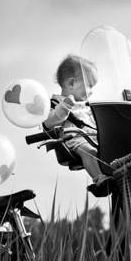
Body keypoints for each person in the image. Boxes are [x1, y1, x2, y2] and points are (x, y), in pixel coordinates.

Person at [43, 54, 112, 191]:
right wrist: (65, 106)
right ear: (71, 83)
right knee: (89, 151)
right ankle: (99, 178)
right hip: (75, 140)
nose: (91, 92)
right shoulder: (56, 103)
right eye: (89, 86)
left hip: (95, 138)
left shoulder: (86, 105)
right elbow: (49, 123)